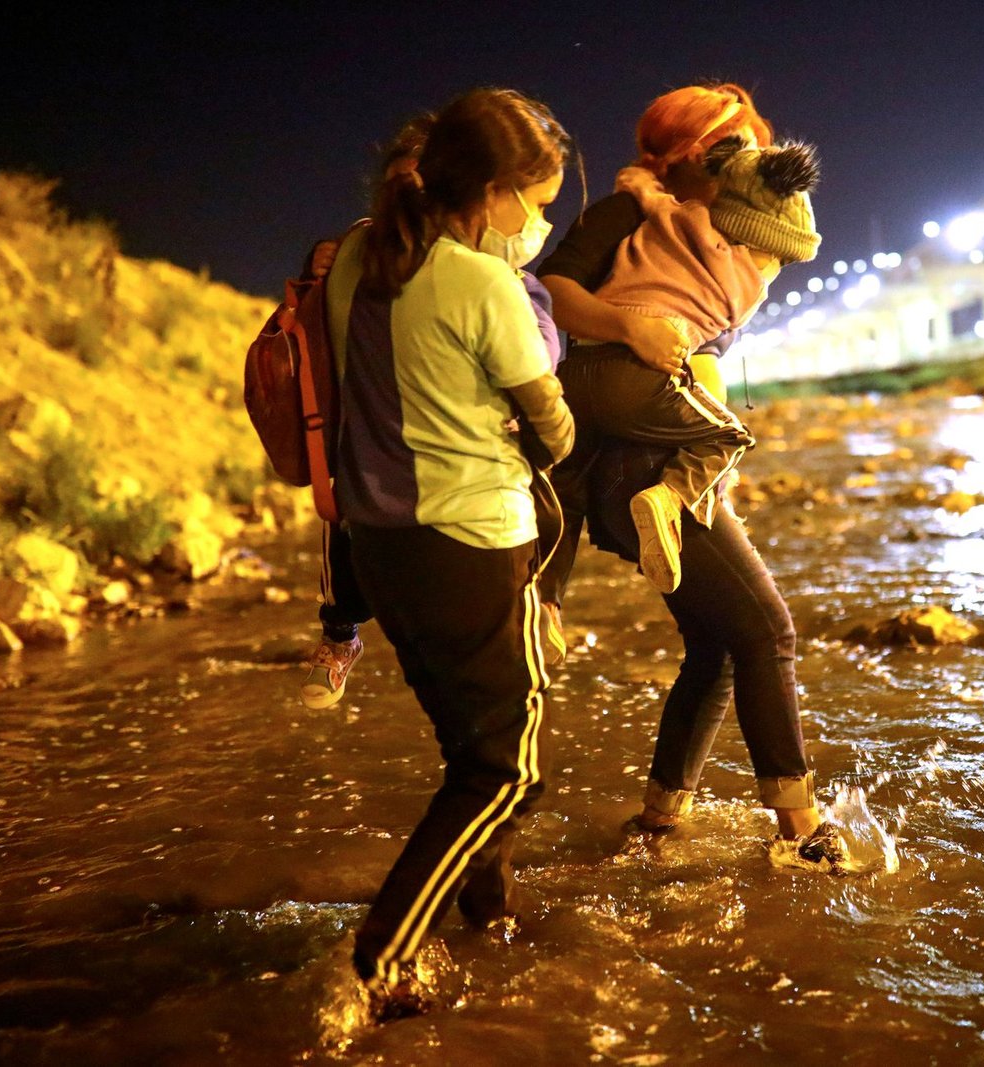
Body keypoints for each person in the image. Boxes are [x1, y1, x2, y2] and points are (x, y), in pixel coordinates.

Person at [536, 84, 846, 865]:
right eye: (726, 149)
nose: (739, 162)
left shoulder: (727, 231)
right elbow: (554, 293)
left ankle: (658, 819)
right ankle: (802, 829)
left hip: (659, 448)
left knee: (715, 643)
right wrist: (627, 326)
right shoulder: (629, 214)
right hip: (631, 467)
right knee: (768, 629)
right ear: (684, 159)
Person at [330, 87, 575, 1018]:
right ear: (495, 192)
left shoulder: (358, 254)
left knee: (466, 745)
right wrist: (546, 420)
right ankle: (384, 955)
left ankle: (489, 912)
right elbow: (549, 422)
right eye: (538, 199)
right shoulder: (483, 282)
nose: (540, 220)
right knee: (506, 770)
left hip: (382, 551)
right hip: (472, 543)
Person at [299, 118, 565, 710]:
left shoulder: (496, 277)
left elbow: (541, 362)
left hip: (447, 505)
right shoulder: (365, 259)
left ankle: (543, 603)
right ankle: (340, 634)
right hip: (418, 499)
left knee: (476, 720)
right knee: (500, 735)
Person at [569, 136, 821, 593]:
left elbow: (647, 194)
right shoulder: (745, 285)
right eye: (778, 257)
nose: (777, 268)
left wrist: (638, 182)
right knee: (729, 434)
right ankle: (670, 497)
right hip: (636, 378)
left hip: (579, 365)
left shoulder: (668, 216)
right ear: (754, 241)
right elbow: (708, 349)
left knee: (563, 489)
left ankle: (547, 597)